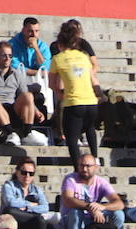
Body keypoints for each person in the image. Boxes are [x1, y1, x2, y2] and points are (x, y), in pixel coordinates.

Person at [48, 18, 100, 166]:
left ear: (60, 44)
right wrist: (100, 95)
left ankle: (79, 169)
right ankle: (94, 159)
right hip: (91, 103)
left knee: (71, 138)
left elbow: (52, 84)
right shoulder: (84, 57)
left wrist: (60, 95)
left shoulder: (58, 59)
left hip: (74, 103)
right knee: (89, 127)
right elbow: (93, 78)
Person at [0, 40, 45, 145]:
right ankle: (10, 132)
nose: (7, 59)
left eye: (10, 56)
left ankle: (28, 132)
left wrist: (36, 111)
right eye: (4, 55)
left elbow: (24, 96)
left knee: (28, 95)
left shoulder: (17, 74)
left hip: (12, 107)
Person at [60, 153, 124, 229]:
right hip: (72, 219)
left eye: (88, 166)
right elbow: (67, 200)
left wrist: (102, 207)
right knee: (75, 212)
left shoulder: (101, 182)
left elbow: (119, 203)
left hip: (93, 218)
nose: (84, 169)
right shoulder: (70, 179)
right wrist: (90, 207)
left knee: (118, 214)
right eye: (81, 165)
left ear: (96, 167)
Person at [0, 157, 56, 229]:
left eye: (31, 173)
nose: (27, 176)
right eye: (24, 172)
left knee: (40, 221)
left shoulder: (37, 190)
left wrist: (27, 208)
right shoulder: (9, 185)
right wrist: (31, 204)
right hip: (13, 220)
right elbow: (10, 202)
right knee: (10, 211)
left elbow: (45, 207)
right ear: (17, 172)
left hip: (30, 221)